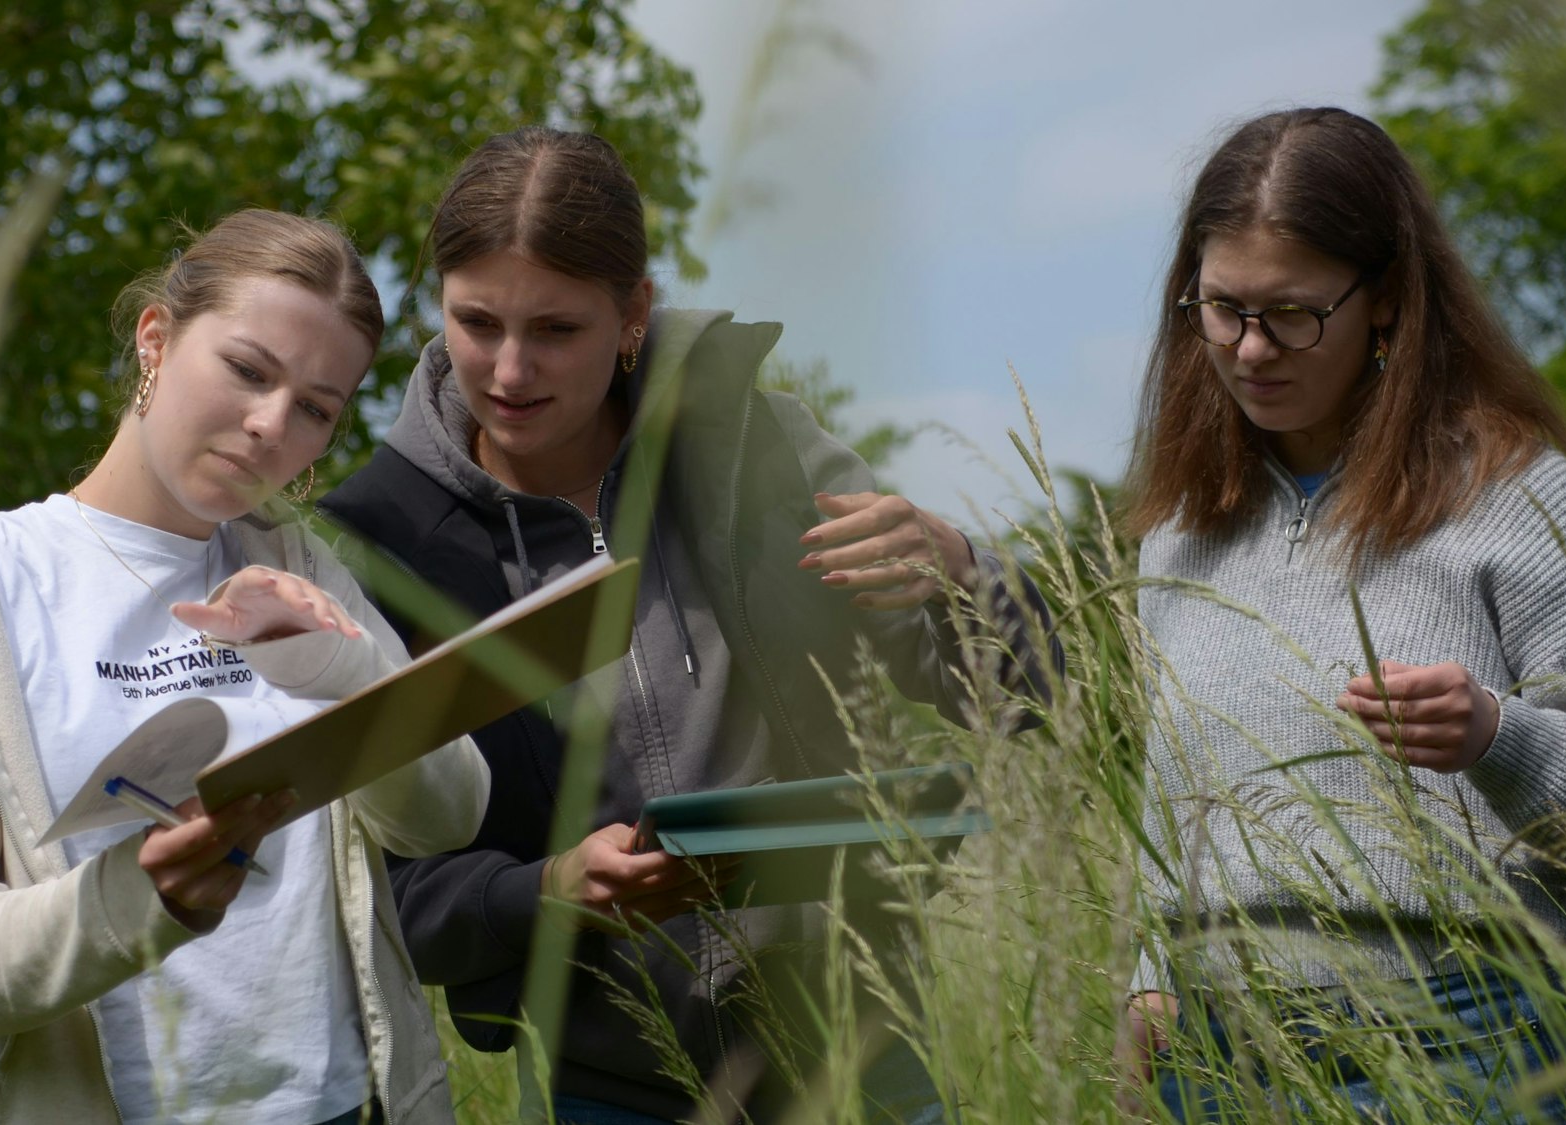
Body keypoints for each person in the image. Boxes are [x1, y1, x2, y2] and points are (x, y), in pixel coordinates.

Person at [318, 126, 1061, 1124]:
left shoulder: (769, 451)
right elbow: (384, 894)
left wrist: (963, 572)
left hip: (861, 1055)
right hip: (607, 1086)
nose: (507, 369)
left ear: (633, 314)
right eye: (476, 320)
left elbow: (1027, 698)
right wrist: (545, 887)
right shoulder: (378, 542)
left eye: (556, 330)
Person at [1119, 106, 1566, 1120]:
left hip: (1472, 1037)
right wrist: (1148, 973)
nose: (1250, 349)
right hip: (1218, 1060)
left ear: (1384, 301)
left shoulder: (1516, 494)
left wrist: (1497, 736)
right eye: (1219, 308)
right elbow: (1174, 801)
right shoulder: (1173, 530)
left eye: (1291, 313)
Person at [0, 209, 490, 1125]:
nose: (272, 424)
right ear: (156, 338)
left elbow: (449, 814)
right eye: (247, 369)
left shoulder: (303, 568)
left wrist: (346, 676)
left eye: (316, 408)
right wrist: (138, 895)